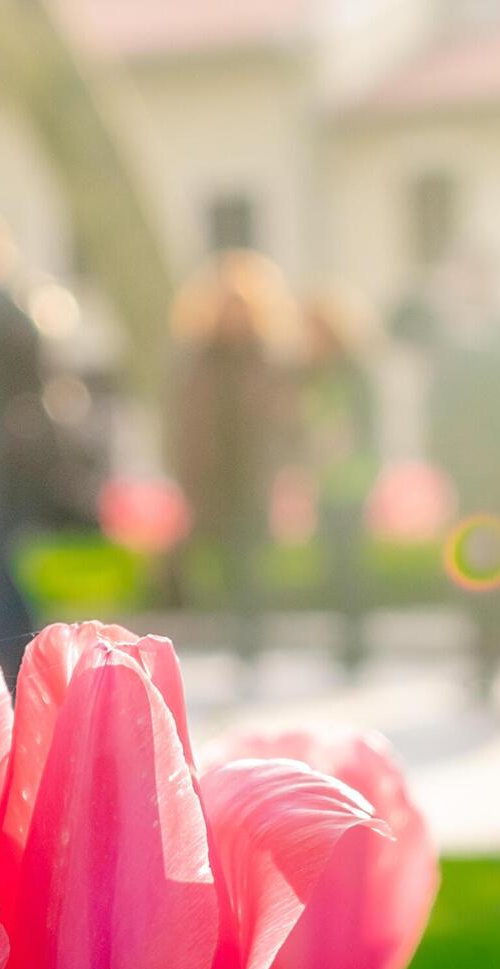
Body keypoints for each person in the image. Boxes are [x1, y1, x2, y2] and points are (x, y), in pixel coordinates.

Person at [167, 252, 292, 665]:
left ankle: (251, 647)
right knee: (220, 567)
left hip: (254, 482)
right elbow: (184, 424)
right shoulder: (199, 361)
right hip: (213, 483)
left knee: (252, 567)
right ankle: (234, 640)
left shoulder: (266, 359)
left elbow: (282, 423)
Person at [296, 291, 378, 668]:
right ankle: (341, 640)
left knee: (351, 563)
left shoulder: (354, 372)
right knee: (329, 564)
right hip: (322, 480)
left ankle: (356, 642)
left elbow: (369, 426)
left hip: (352, 479)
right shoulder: (306, 373)